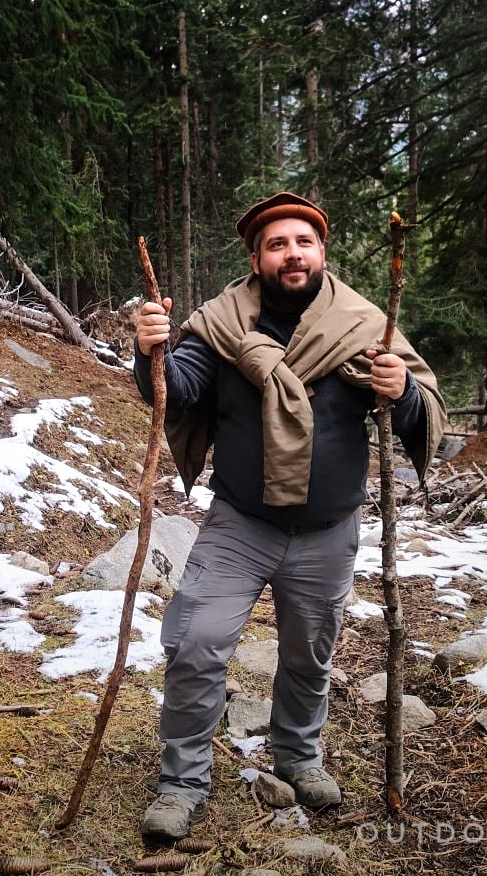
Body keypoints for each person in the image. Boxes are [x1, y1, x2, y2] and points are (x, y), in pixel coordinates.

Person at [133, 191, 446, 840]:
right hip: (241, 524)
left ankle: (298, 756)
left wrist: (403, 392)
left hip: (329, 532)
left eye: (303, 242)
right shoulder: (221, 322)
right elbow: (179, 388)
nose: (292, 253)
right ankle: (182, 782)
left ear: (322, 252)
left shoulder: (362, 323)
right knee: (195, 645)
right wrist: (151, 353)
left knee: (310, 656)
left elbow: (420, 408)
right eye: (277, 244)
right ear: (256, 258)